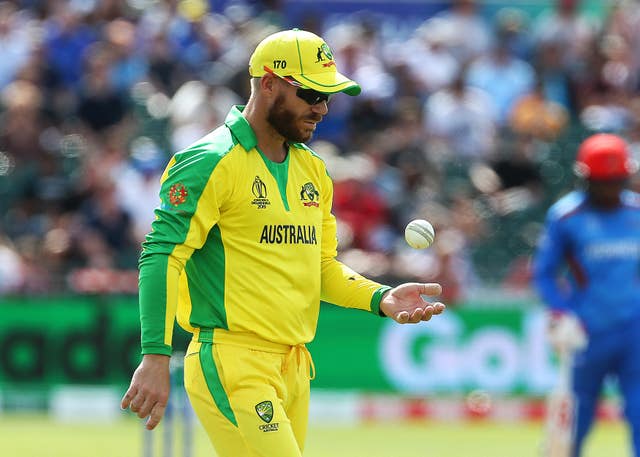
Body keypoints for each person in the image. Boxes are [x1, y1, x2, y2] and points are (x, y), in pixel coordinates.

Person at [120, 28, 446, 457]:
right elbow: (161, 255)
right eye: (311, 94)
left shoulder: (312, 170)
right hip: (233, 360)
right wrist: (156, 355)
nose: (323, 108)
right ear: (269, 83)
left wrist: (380, 297)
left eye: (328, 97)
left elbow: (322, 268)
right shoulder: (209, 161)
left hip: (293, 365)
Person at [532, 133, 640, 457]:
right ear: (585, 179)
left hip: (634, 333)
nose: (610, 190)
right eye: (603, 182)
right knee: (574, 424)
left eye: (616, 181)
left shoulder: (637, 213)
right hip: (585, 333)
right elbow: (545, 274)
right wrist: (563, 313)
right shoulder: (566, 217)